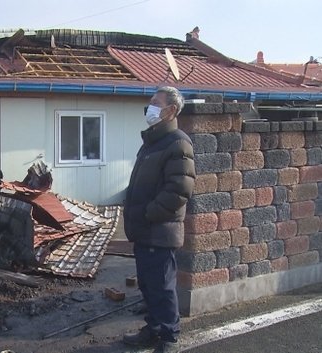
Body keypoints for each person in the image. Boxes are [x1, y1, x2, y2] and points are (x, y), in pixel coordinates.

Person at [122, 86, 196, 353]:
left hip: (160, 230)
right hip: (144, 229)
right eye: (151, 102)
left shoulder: (178, 142)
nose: (149, 107)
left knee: (163, 287)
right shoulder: (153, 142)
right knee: (148, 284)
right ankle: (152, 329)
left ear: (171, 110)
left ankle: (169, 337)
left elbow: (179, 190)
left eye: (156, 103)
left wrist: (147, 213)